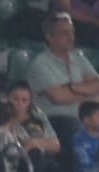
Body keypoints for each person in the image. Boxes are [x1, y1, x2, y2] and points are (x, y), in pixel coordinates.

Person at [29, 12, 99, 148]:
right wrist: (87, 91)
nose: (71, 37)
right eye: (64, 33)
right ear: (49, 37)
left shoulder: (78, 57)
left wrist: (71, 87)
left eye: (72, 32)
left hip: (88, 116)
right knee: (81, 131)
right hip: (56, 120)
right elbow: (59, 98)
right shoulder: (40, 64)